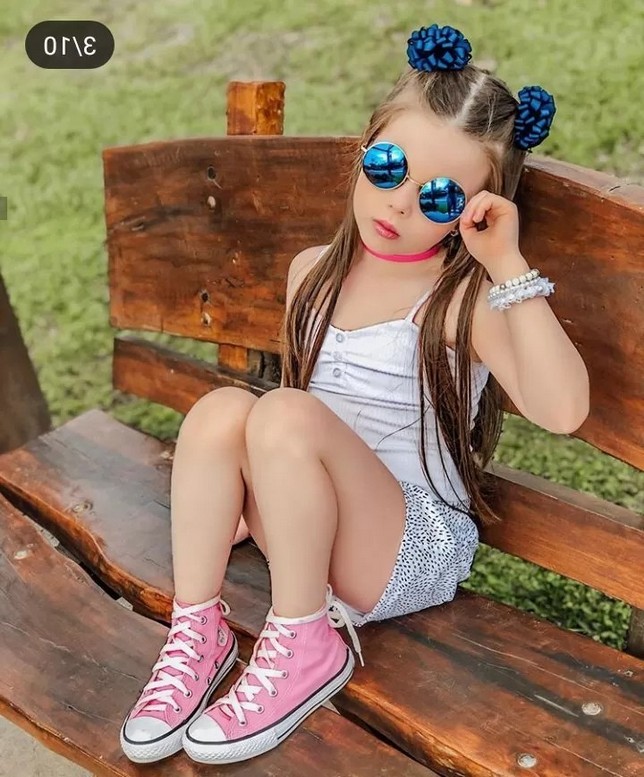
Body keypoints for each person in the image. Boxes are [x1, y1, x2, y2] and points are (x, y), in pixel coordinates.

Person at [119, 22, 590, 766]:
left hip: (405, 548)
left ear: (475, 209)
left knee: (280, 410)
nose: (400, 204)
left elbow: (563, 411)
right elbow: (290, 429)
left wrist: (506, 263)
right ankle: (198, 630)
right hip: (310, 529)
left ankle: (307, 644)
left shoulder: (459, 302)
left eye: (438, 196)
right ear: (362, 152)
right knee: (220, 412)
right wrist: (234, 494)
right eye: (387, 167)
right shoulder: (312, 272)